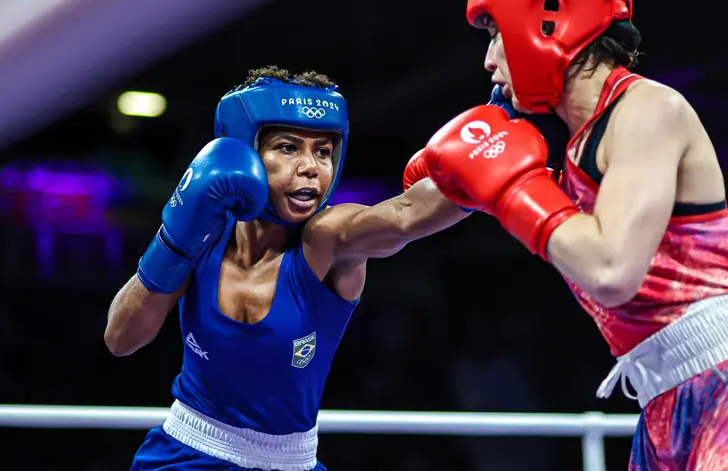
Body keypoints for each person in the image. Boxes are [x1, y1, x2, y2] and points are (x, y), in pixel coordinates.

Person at [415, 0, 728, 469]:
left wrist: (513, 191)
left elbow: (612, 269)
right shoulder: (557, 149)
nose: (488, 58)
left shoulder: (648, 110)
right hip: (661, 406)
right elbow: (406, 218)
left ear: (548, 24)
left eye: (495, 32)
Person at [104, 66, 469, 470]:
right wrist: (173, 241)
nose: (311, 166)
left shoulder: (328, 240)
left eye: (324, 151)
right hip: (185, 453)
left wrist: (502, 156)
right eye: (288, 147)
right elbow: (121, 338)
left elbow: (406, 214)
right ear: (245, 151)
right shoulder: (203, 231)